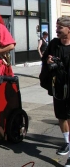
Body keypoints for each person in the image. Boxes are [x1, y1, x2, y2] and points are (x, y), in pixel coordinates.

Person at [42, 16, 70, 167]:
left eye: (60, 27)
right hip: (58, 86)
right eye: (56, 27)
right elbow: (45, 59)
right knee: (61, 115)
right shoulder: (53, 44)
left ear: (68, 29)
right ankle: (67, 142)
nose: (56, 30)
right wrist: (48, 62)